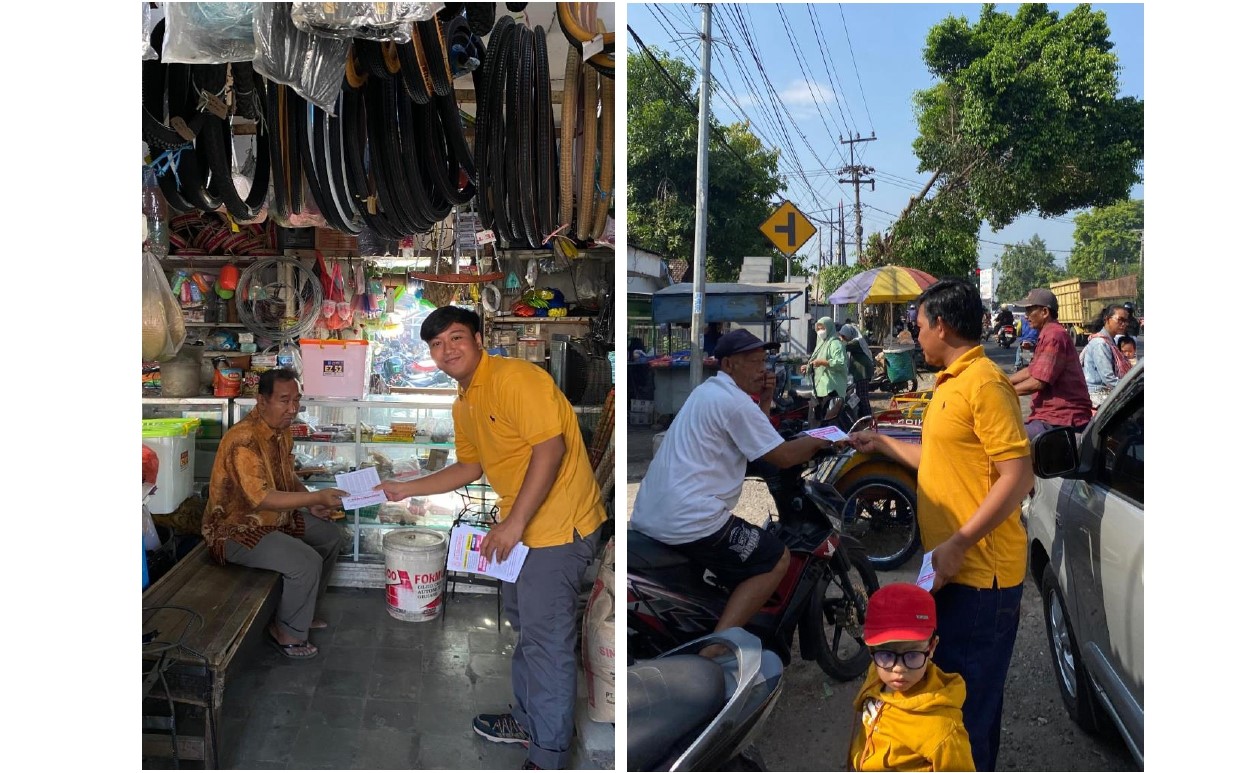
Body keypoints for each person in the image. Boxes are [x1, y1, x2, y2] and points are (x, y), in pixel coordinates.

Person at [376, 306, 606, 771]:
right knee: (528, 632)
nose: (447, 350)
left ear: (479, 339)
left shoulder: (516, 379)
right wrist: (407, 488)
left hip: (558, 528)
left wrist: (514, 523)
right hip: (520, 531)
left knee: (546, 643)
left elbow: (551, 450)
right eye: (437, 344)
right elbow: (469, 467)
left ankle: (548, 755)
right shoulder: (464, 401)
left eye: (456, 338)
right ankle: (528, 721)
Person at [847, 278, 1033, 771]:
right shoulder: (951, 382)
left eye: (919, 326)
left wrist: (960, 542)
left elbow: (1019, 476)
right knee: (953, 698)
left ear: (942, 326)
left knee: (968, 711)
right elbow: (937, 459)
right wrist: (882, 444)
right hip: (952, 569)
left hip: (982, 578)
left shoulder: (986, 384)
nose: (916, 336)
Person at [631, 329, 833, 659]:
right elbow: (782, 456)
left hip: (653, 512)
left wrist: (765, 401)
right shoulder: (733, 402)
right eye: (753, 362)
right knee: (775, 558)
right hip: (692, 519)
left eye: (764, 361)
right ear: (728, 364)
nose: (762, 369)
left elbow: (757, 439)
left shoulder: (708, 392)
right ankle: (715, 647)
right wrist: (824, 439)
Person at [201, 369, 348, 660]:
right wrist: (316, 497)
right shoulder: (243, 440)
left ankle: (302, 614)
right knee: (306, 561)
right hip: (236, 530)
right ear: (262, 400)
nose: (293, 408)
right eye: (284, 400)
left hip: (276, 519)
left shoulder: (281, 431)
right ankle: (287, 632)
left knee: (330, 536)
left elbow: (286, 476)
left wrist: (309, 503)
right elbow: (262, 498)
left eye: (296, 400)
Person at [848, 583, 974, 772]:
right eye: (886, 654)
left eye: (912, 654)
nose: (898, 668)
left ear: (932, 647)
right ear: (871, 651)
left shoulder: (943, 729)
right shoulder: (877, 673)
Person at [1008, 288, 1093, 439]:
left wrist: (1005, 392)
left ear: (1045, 312)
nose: (1026, 316)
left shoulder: (1054, 335)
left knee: (1007, 438)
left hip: (1061, 418)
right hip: (1050, 416)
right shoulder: (1048, 333)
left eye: (1030, 310)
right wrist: (1002, 381)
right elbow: (1032, 370)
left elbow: (1038, 382)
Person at [1081, 304, 1134, 408]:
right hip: (1098, 395)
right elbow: (1108, 379)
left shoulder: (1110, 341)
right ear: (1107, 319)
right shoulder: (1100, 343)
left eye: (1126, 321)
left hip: (1106, 392)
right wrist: (1129, 387)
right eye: (1120, 320)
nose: (1124, 324)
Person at [801, 316, 848, 428]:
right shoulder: (821, 344)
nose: (820, 331)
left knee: (830, 423)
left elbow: (841, 363)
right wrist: (807, 367)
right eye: (818, 328)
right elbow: (815, 361)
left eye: (823, 328)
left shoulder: (835, 343)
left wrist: (824, 362)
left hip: (831, 389)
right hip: (819, 388)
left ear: (829, 328)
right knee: (816, 421)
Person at [840, 322, 874, 419]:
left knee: (862, 396)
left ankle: (868, 417)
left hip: (862, 372)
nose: (843, 338)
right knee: (858, 395)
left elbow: (843, 346)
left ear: (849, 333)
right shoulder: (855, 341)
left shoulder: (856, 342)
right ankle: (861, 416)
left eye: (844, 336)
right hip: (860, 371)